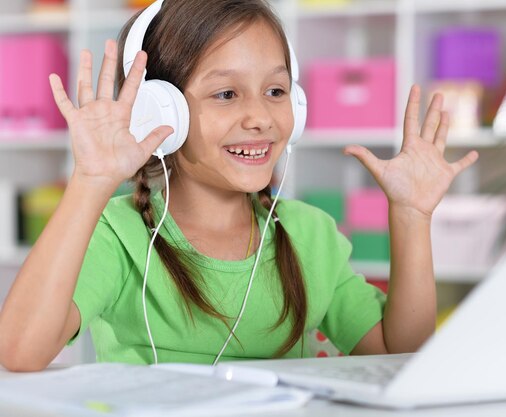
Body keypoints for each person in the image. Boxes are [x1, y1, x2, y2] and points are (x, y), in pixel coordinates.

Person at [0, 0, 478, 372]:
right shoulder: (119, 235)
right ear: (162, 110)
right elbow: (20, 351)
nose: (260, 118)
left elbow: (400, 352)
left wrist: (412, 217)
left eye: (276, 91)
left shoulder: (309, 235)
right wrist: (90, 182)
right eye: (226, 94)